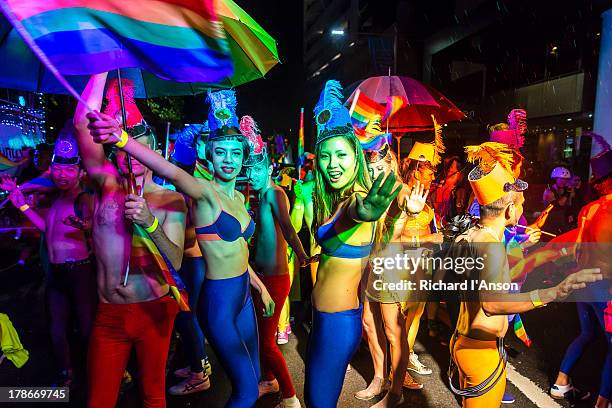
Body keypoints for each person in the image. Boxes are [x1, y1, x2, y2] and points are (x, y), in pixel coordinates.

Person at [87, 87, 275, 408]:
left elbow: (241, 254)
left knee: (255, 376)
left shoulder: (241, 199)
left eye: (235, 152)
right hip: (219, 302)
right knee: (244, 392)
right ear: (208, 154)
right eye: (220, 152)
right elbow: (168, 170)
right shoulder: (204, 193)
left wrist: (261, 288)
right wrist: (122, 140)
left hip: (244, 295)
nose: (228, 160)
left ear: (244, 157)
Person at [445, 142, 602, 408]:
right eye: (520, 204)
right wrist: (552, 292)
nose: (523, 208)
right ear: (509, 211)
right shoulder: (491, 245)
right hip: (481, 351)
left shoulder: (476, 234)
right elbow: (493, 303)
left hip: (469, 343)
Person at [74, 73, 187, 408]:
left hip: (154, 310)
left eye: (138, 148)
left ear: (153, 151)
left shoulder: (171, 201)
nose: (132, 157)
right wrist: (103, 63)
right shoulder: (107, 186)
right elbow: (83, 124)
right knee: (100, 400)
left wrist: (150, 223)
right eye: (123, 148)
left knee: (153, 396)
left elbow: (176, 261)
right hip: (109, 314)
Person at [303, 80, 399, 408]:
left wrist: (366, 210)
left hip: (337, 323)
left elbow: (356, 212)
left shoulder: (355, 199)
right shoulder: (334, 196)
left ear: (356, 155)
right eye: (326, 156)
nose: (333, 164)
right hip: (326, 318)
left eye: (341, 155)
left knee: (318, 402)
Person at [0, 127, 96, 388]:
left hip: (80, 272)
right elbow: (45, 229)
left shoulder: (83, 198)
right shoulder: (56, 200)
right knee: (56, 328)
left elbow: (94, 223)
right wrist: (20, 203)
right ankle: (65, 374)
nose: (62, 175)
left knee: (87, 329)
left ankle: (107, 373)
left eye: (69, 169)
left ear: (80, 172)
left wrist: (86, 225)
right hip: (55, 273)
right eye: (58, 169)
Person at [357, 118, 429, 404]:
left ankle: (395, 392)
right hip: (368, 264)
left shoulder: (398, 188)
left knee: (392, 328)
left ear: (392, 165)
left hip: (390, 268)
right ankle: (378, 378)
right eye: (370, 168)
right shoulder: (370, 188)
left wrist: (411, 209)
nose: (375, 172)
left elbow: (405, 200)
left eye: (380, 167)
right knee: (369, 324)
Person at [242, 115, 308, 408]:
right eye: (249, 169)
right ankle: (268, 381)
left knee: (268, 342)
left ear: (268, 167)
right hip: (263, 276)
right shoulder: (258, 197)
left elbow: (289, 228)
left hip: (276, 279)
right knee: (262, 337)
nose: (252, 174)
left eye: (257, 169)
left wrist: (304, 256)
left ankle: (291, 395)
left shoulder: (273, 193)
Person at [550, 145, 612, 408]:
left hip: (582, 281)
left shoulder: (589, 209)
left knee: (587, 333)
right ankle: (603, 402)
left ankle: (561, 382)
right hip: (604, 286)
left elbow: (577, 247)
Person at [165, 124, 213, 396]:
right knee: (186, 316)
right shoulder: (181, 190)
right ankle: (199, 363)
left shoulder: (188, 193)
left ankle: (198, 372)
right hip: (187, 262)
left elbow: (192, 235)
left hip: (191, 262)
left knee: (186, 316)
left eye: (174, 161)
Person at [398, 122, 446, 381]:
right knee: (403, 315)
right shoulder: (405, 196)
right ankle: (400, 363)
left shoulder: (424, 196)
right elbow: (399, 238)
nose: (432, 177)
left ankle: (405, 355)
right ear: (417, 171)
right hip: (405, 266)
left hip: (422, 265)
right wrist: (430, 238)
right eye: (428, 172)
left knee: (415, 314)